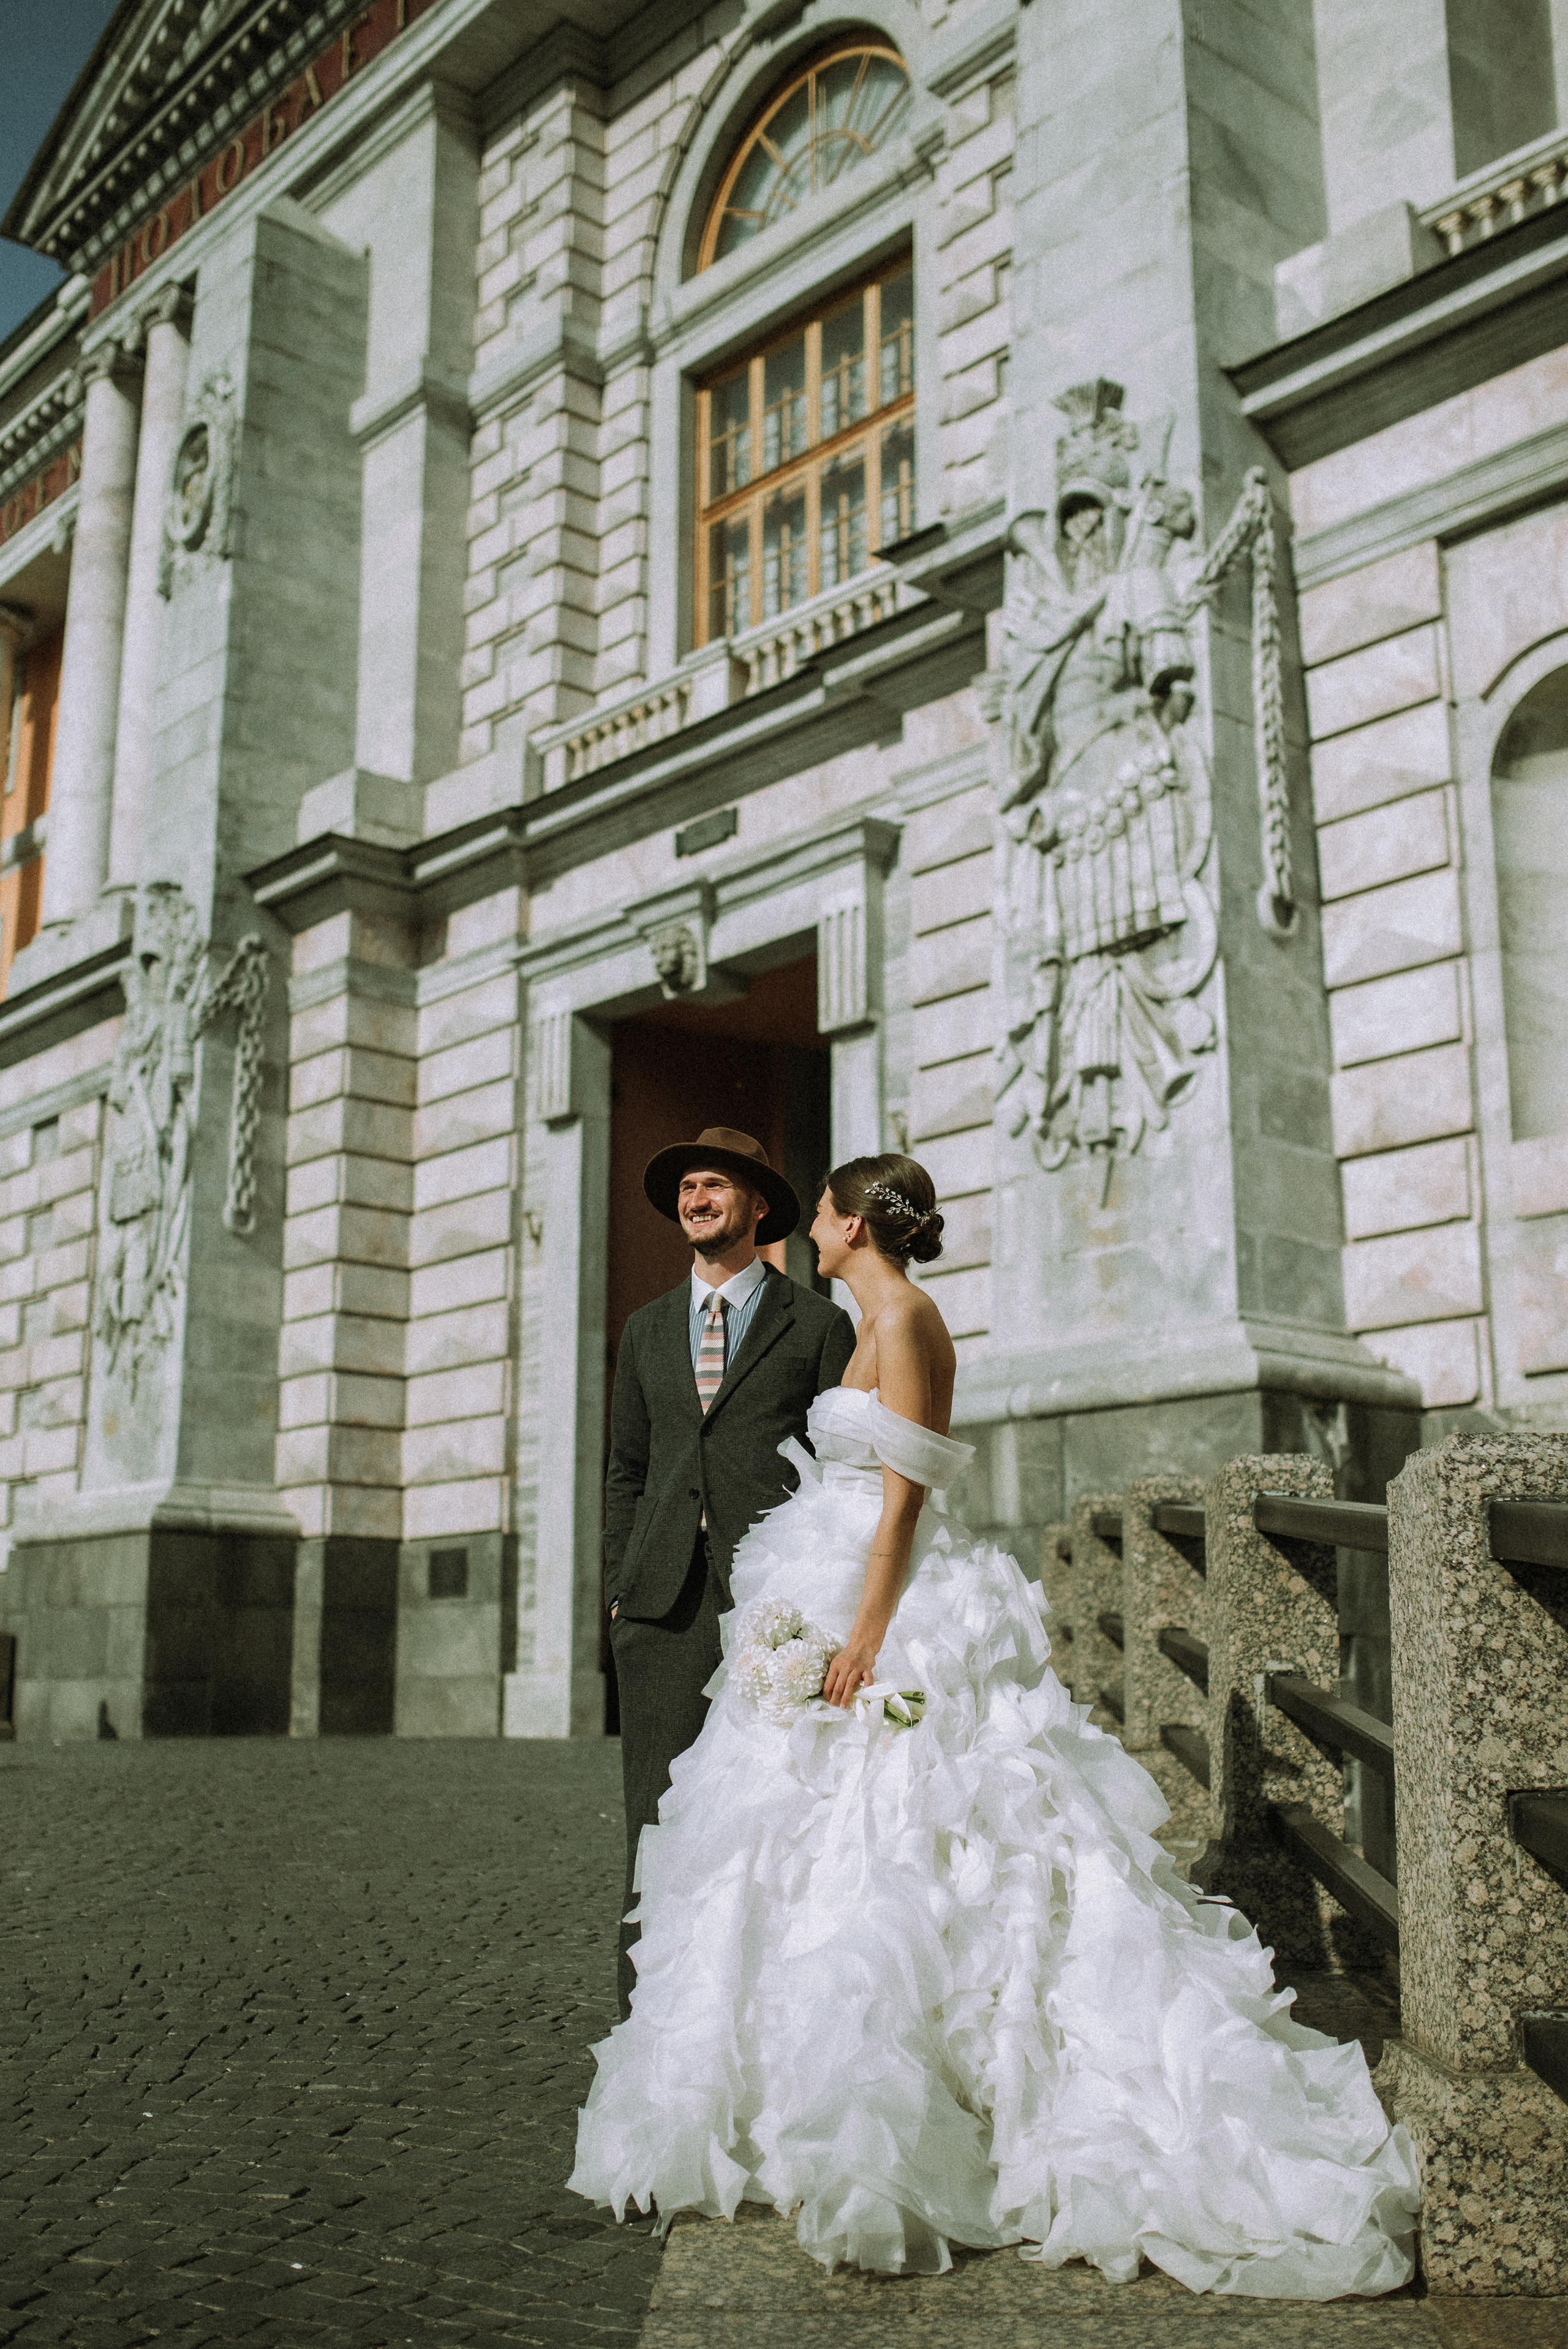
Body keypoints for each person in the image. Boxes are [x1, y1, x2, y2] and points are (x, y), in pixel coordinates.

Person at [571, 1152, 1420, 2296]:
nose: (810, 1228)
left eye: (821, 1212)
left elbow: (904, 1504)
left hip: (885, 1607)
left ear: (854, 1225)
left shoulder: (902, 1322)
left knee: (909, 1841)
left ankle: (922, 2101)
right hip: (817, 1588)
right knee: (798, 1846)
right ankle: (775, 2090)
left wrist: (865, 1637)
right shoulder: (870, 1316)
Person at [603, 1125, 856, 2016]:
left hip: (775, 1605)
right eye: (687, 1188)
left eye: (715, 1185)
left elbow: (840, 1466)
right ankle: (646, 2018)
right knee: (656, 1813)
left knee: (771, 1813)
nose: (696, 1199)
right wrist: (620, 1588)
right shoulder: (644, 1329)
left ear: (757, 1207)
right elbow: (627, 1470)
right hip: (662, 1607)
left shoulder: (817, 1324)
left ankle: (755, 2014)